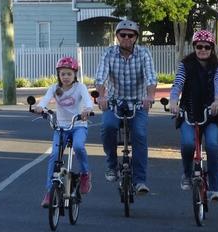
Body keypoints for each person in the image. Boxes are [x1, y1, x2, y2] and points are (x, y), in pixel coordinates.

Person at [94, 20, 157, 195]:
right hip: (114, 101)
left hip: (138, 101)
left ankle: (140, 181)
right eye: (123, 35)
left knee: (140, 134)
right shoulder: (109, 53)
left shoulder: (144, 53)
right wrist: (102, 96)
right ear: (117, 36)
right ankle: (112, 165)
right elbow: (100, 77)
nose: (127, 38)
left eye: (131, 35)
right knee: (108, 127)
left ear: (136, 37)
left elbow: (151, 77)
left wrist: (150, 96)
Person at [168, 30, 218, 202]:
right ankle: (187, 174)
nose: (202, 50)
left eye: (206, 47)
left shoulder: (217, 65)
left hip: (211, 113)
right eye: (198, 46)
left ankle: (214, 189)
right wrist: (173, 102)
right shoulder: (186, 64)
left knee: (213, 145)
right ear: (194, 47)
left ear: (212, 48)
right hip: (189, 112)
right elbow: (178, 83)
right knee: (187, 144)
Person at [35, 56, 94, 208]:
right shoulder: (55, 88)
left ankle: (85, 174)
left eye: (69, 73)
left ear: (75, 74)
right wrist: (40, 107)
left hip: (78, 125)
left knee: (79, 146)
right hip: (61, 127)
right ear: (58, 75)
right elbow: (45, 99)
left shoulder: (80, 88)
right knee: (54, 155)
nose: (66, 77)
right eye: (62, 74)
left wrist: (88, 109)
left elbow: (88, 101)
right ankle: (49, 192)